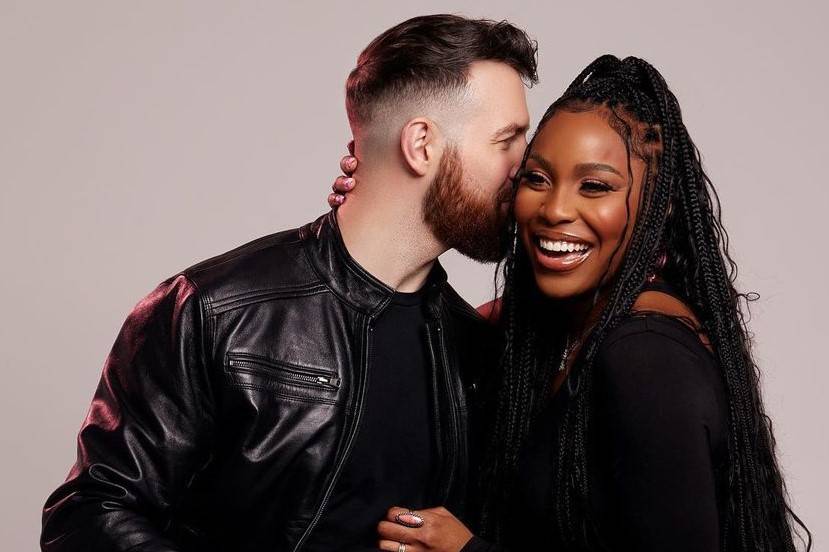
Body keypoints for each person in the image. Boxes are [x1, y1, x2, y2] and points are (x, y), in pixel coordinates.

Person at [40, 14, 539, 552]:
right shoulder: (215, 310)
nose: (526, 167)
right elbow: (90, 516)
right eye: (506, 140)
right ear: (421, 145)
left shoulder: (477, 350)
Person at [330, 55, 811, 551]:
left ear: (659, 203)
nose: (555, 209)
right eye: (536, 179)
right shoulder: (557, 328)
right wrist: (382, 192)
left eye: (595, 186)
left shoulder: (646, 359)